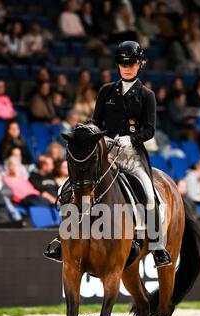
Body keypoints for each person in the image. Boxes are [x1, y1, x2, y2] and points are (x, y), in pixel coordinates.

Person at [45, 41, 171, 267]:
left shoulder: (147, 95)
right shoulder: (106, 90)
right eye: (123, 64)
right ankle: (63, 239)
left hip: (131, 154)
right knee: (72, 185)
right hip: (106, 151)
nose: (127, 68)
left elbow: (150, 130)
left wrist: (130, 138)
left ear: (139, 64)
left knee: (149, 194)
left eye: (131, 63)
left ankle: (156, 243)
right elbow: (96, 121)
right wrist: (91, 134)